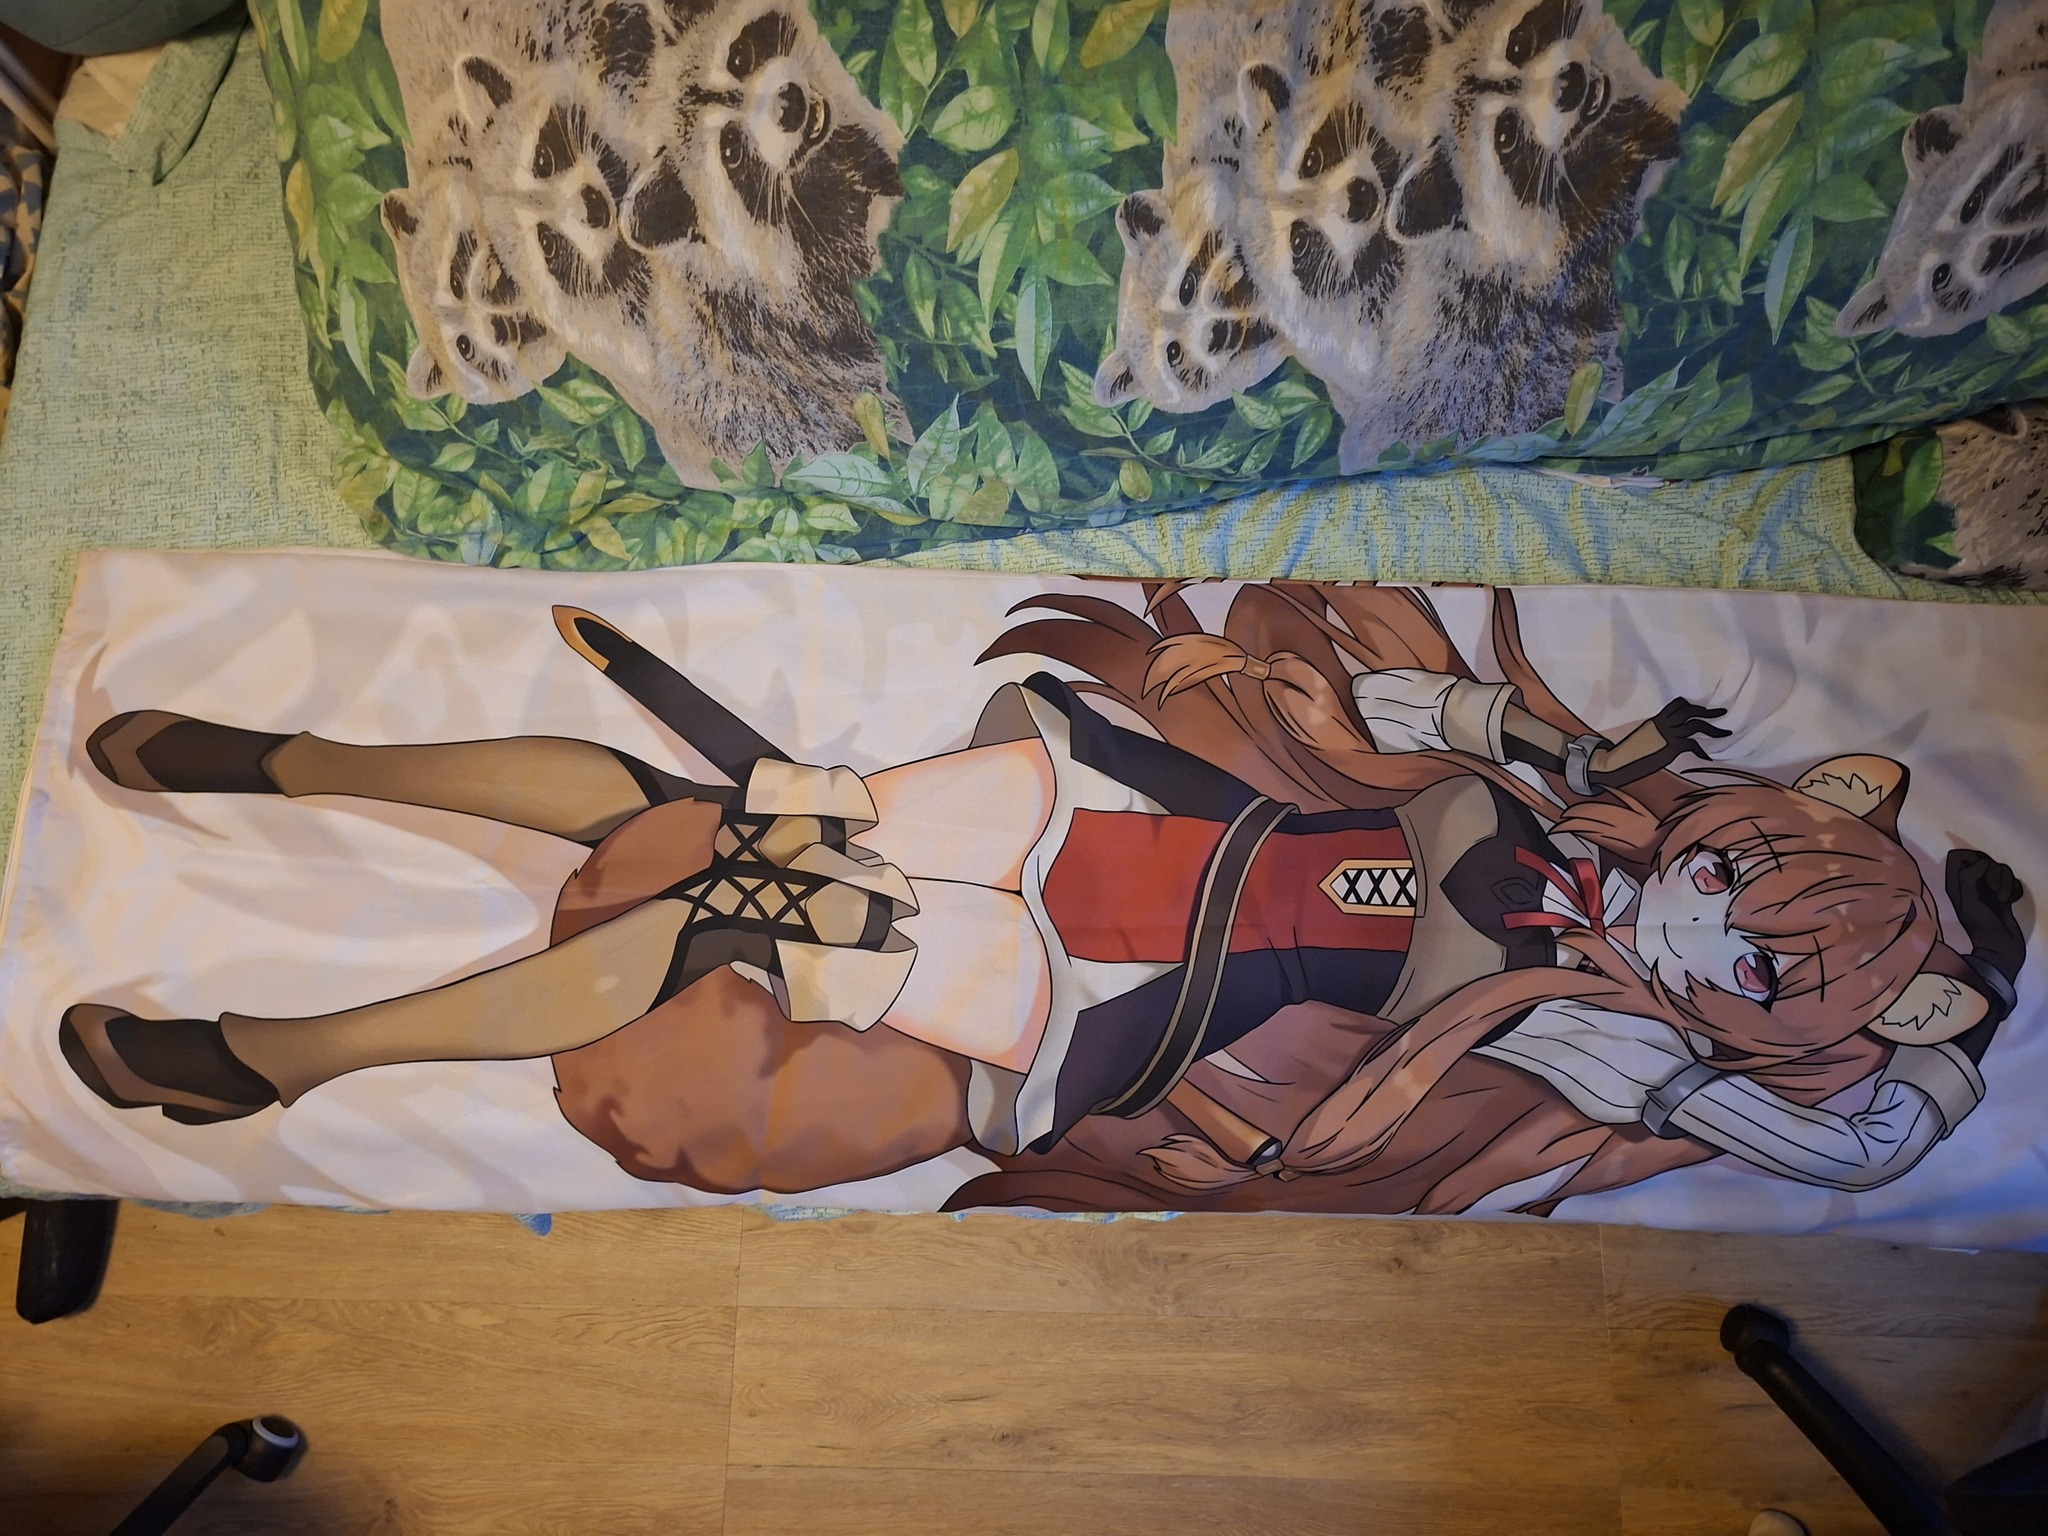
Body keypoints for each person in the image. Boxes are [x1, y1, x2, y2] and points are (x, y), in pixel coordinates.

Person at [58, 585, 2029, 1216]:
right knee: (742, 815)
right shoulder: (1561, 802)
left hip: (1113, 1003)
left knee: (753, 889)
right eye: (1748, 871)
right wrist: (1508, 731)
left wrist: (1972, 1022)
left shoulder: (1616, 1055)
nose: (1713, 918)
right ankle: (288, 774)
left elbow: (1850, 1153)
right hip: (1114, 821)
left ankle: (288, 1051)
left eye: (1763, 957)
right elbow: (1384, 725)